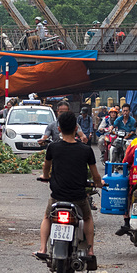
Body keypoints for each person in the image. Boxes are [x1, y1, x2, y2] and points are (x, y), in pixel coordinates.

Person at [35, 111, 103, 260]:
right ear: (76, 129)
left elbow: (46, 167)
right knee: (87, 218)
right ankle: (90, 251)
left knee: (47, 217)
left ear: (59, 129)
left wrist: (45, 177)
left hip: (57, 196)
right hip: (78, 197)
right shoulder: (86, 150)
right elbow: (95, 174)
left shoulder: (53, 147)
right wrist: (99, 183)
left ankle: (42, 248)